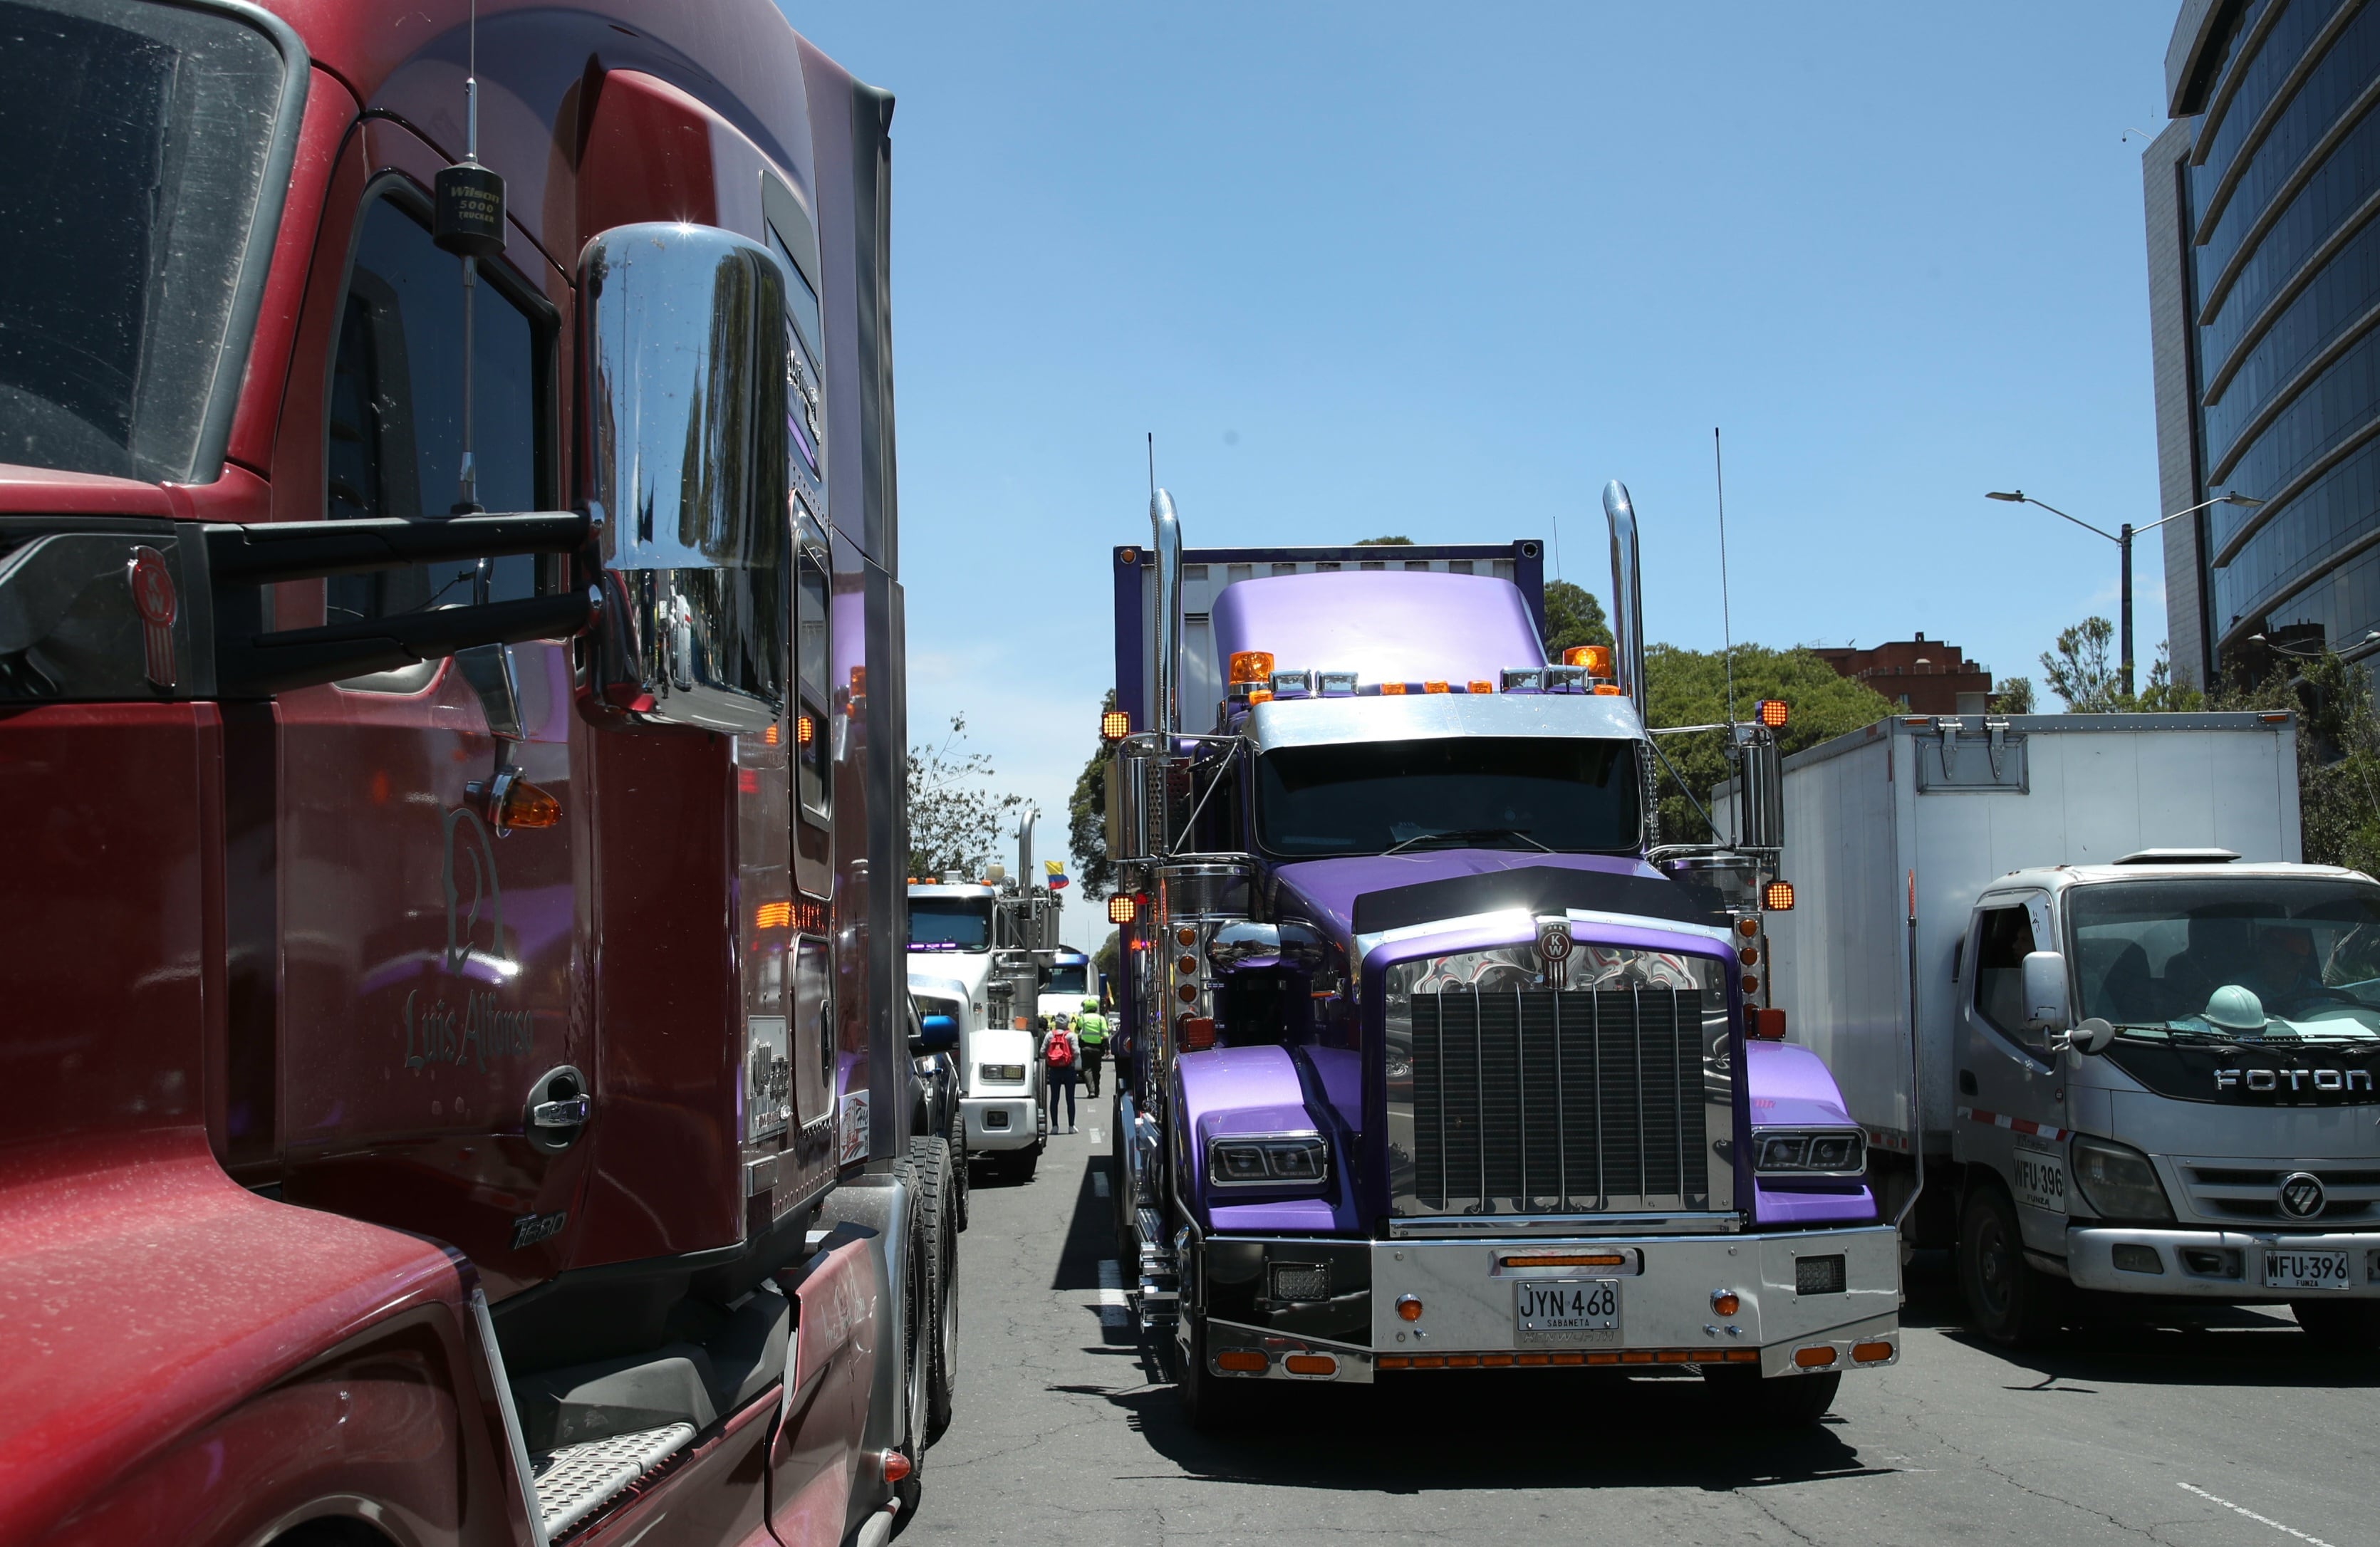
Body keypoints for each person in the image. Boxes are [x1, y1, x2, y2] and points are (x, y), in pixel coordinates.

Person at [1041, 1015, 1080, 1134]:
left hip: (1054, 1070)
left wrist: (1050, 1059)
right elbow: (1077, 1053)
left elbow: (1042, 1052)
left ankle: (1055, 1126)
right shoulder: (1071, 1036)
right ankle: (1071, 1126)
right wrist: (1070, 1059)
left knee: (1054, 1098)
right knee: (1070, 1098)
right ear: (1067, 1022)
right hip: (1069, 1069)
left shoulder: (1050, 1035)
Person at [1074, 998, 1108, 1097]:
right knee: (1096, 1070)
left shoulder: (1083, 1018)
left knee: (1087, 1070)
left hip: (1085, 1048)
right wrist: (1107, 1048)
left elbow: (1077, 1030)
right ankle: (1096, 1090)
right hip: (1098, 1049)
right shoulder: (1101, 1019)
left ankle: (1091, 1091)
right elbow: (1105, 1034)